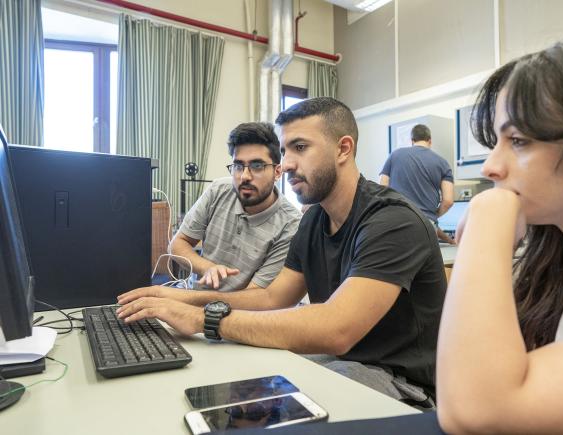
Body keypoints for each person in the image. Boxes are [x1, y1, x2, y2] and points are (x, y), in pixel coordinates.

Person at [117, 97, 447, 406]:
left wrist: (204, 319)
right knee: (236, 376)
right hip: (341, 361)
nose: (286, 165)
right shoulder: (315, 219)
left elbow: (336, 329)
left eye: (300, 148)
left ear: (343, 149)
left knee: (275, 402)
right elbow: (271, 298)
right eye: (286, 150)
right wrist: (177, 299)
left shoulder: (392, 220)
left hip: (398, 380)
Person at [436, 35, 563, 433]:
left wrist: (487, 213)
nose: (490, 167)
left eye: (518, 141)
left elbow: (476, 411)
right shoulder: (557, 265)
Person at [170, 122, 301, 291]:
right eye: (238, 166)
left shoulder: (291, 225)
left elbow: (254, 297)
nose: (245, 176)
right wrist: (207, 267)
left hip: (241, 313)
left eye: (257, 166)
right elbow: (177, 244)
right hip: (197, 299)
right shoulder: (218, 190)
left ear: (277, 172)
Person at [379, 124, 455, 244]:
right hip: (426, 226)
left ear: (412, 141)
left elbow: (382, 189)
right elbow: (448, 201)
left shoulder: (395, 155)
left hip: (395, 222)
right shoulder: (443, 163)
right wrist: (432, 216)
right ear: (430, 141)